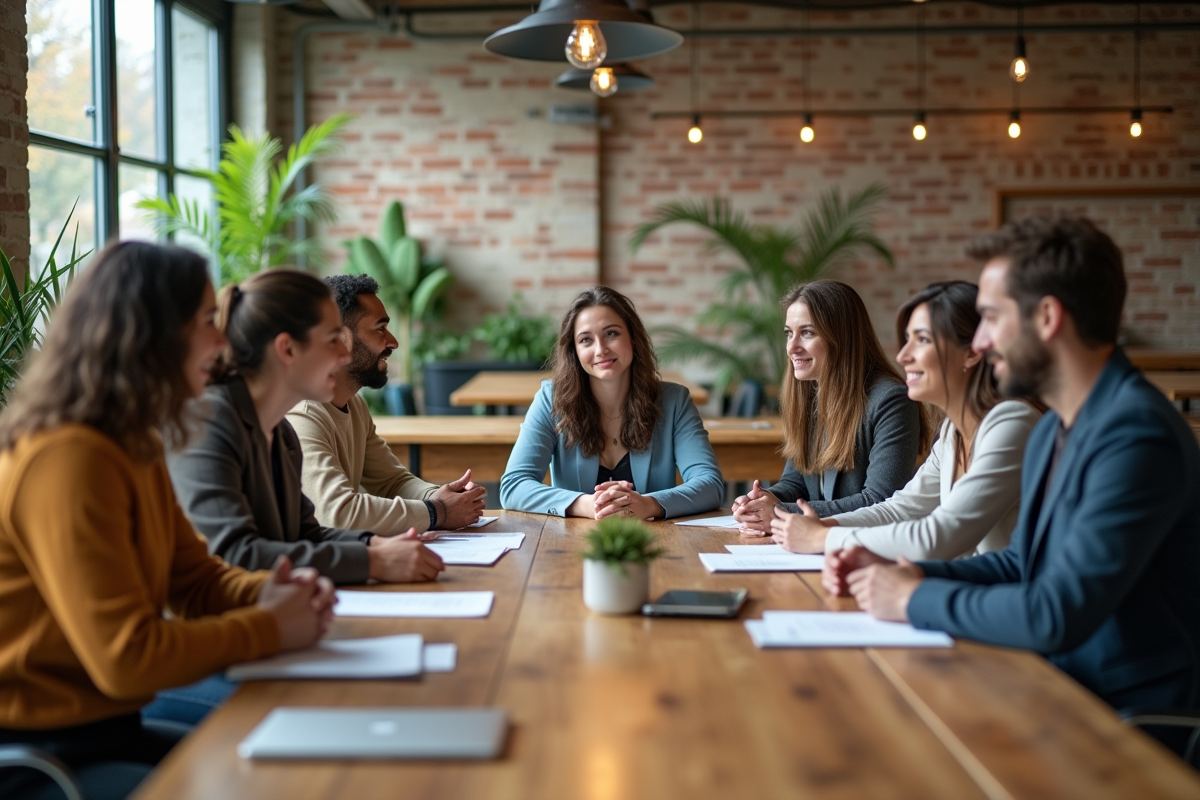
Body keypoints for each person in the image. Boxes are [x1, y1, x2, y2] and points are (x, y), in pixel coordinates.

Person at [828, 214, 1200, 752]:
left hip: (1123, 722)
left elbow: (1055, 613)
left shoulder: (1137, 435)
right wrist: (905, 570)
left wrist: (914, 598)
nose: (980, 340)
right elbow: (1021, 562)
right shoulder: (1055, 427)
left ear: (1047, 317)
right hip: (1052, 683)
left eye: (991, 317)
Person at [0, 243, 333, 800]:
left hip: (102, 732)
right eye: (207, 321)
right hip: (39, 755)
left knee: (272, 769)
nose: (224, 342)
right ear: (151, 334)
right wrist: (270, 625)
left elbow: (196, 580)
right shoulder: (68, 458)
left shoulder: (132, 444)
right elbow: (127, 660)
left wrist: (273, 592)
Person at [168, 269, 445, 586]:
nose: (344, 354)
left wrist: (372, 544)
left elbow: (305, 534)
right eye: (331, 341)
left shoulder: (280, 431)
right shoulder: (209, 422)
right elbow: (234, 553)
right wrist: (372, 560)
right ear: (287, 349)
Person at [770, 281, 1041, 558]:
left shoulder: (1011, 425)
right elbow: (899, 509)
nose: (903, 355)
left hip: (1004, 595)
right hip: (968, 586)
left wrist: (824, 537)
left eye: (921, 339)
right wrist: (819, 527)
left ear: (971, 352)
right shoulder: (952, 433)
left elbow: (939, 536)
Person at [500, 286, 723, 519]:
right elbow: (513, 486)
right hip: (570, 544)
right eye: (586, 340)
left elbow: (710, 486)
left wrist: (648, 505)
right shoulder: (551, 400)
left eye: (612, 334)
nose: (601, 350)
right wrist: (589, 505)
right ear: (574, 351)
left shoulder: (675, 401)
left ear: (633, 339)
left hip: (656, 543)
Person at [287, 274, 485, 534]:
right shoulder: (302, 414)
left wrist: (443, 496)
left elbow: (392, 482)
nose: (393, 342)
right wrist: (438, 511)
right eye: (380, 329)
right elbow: (337, 513)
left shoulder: (354, 406)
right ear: (341, 338)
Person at [733, 280, 930, 533]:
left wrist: (780, 512)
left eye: (807, 332)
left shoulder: (892, 400)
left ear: (842, 338)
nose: (792, 347)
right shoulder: (809, 392)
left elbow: (880, 501)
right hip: (817, 544)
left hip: (866, 549)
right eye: (788, 333)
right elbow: (796, 482)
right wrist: (760, 503)